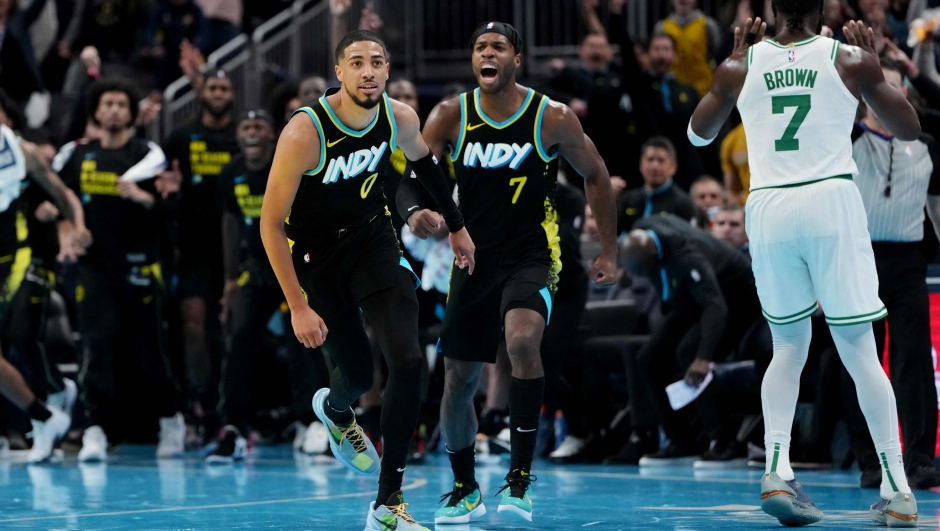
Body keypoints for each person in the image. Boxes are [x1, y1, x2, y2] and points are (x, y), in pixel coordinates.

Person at [688, 2, 922, 524]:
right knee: (860, 350)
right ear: (823, 8)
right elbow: (908, 129)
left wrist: (732, 68)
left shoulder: (741, 64)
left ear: (771, 10)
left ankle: (777, 470)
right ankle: (897, 488)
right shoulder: (849, 58)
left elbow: (698, 135)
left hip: (769, 207)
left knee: (788, 346)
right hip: (829, 202)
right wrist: (877, 64)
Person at [397, 21, 617, 525]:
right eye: (479, 47)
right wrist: (415, 213)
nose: (487, 53)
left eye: (498, 46)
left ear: (517, 57)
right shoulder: (452, 115)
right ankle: (464, 487)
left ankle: (519, 479)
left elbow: (598, 175)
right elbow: (411, 176)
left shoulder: (551, 117)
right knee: (458, 380)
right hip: (472, 258)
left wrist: (609, 249)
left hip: (531, 254)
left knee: (521, 343)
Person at [260, 30, 474, 531]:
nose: (369, 70)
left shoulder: (399, 116)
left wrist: (458, 229)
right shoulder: (304, 132)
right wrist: (297, 304)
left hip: (374, 241)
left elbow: (427, 168)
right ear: (339, 72)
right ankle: (336, 411)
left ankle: (388, 504)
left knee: (406, 358)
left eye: (377, 61)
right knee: (356, 375)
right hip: (316, 256)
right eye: (356, 62)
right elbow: (270, 223)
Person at [56, 79, 187, 462]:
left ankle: (170, 419)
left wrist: (143, 197)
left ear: (131, 114)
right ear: (96, 112)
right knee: (96, 343)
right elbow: (61, 199)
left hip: (141, 264)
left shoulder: (148, 154)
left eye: (120, 105)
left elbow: (172, 208)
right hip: (94, 267)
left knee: (149, 346)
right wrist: (65, 229)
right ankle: (95, 428)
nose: (113, 110)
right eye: (107, 104)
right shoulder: (79, 155)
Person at [845, 59, 940, 490]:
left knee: (914, 358)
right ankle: (869, 459)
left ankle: (919, 458)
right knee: (861, 360)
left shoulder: (925, 145)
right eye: (878, 89)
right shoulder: (844, 140)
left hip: (906, 262)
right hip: (855, 257)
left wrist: (912, 70)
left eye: (896, 89)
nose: (889, 96)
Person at [622, 214, 760, 467]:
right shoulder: (642, 230)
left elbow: (715, 306)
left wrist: (704, 357)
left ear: (655, 254)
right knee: (648, 358)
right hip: (696, 296)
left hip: (737, 297)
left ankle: (724, 440)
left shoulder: (687, 256)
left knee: (690, 353)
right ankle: (680, 441)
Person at [0, 99, 89, 463]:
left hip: (20, 255)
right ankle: (45, 415)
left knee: (22, 334)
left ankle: (50, 403)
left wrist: (78, 226)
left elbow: (62, 193)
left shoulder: (22, 151)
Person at [162, 69, 239, 431]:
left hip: (236, 249)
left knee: (228, 328)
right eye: (213, 87)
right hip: (192, 248)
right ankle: (202, 403)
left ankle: (229, 406)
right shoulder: (180, 136)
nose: (219, 93)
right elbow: (162, 181)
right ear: (201, 92)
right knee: (192, 326)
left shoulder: (243, 137)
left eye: (225, 88)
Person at [618, 136, 698, 232]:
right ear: (641, 165)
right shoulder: (627, 199)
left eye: (661, 160)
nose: (654, 166)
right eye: (650, 159)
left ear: (673, 167)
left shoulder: (684, 204)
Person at [654, 0, 722, 97]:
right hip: (673, 92)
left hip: (704, 91)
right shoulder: (662, 27)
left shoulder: (707, 25)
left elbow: (718, 56)